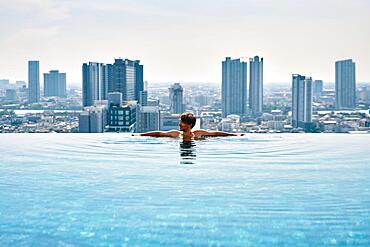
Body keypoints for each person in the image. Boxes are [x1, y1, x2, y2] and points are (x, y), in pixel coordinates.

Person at [136, 112, 243, 140]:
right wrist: (140, 135)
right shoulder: (176, 134)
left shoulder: (198, 134)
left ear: (189, 125)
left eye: (182, 122)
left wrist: (234, 135)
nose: (179, 124)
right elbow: (158, 133)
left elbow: (217, 133)